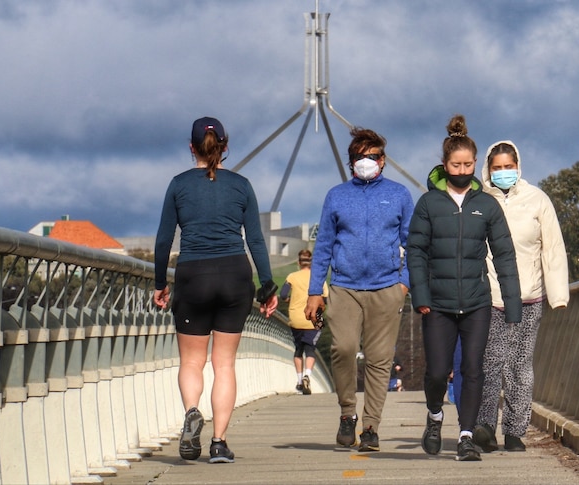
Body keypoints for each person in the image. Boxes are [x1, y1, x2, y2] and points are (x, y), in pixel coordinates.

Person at [153, 116, 278, 464]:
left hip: (193, 274)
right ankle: (219, 443)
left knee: (192, 360)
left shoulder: (178, 185)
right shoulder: (241, 185)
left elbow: (164, 239)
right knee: (224, 364)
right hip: (235, 275)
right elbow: (255, 239)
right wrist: (267, 286)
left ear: (191, 147)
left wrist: (161, 284)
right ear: (225, 146)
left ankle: (193, 411)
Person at [406, 114, 522, 462]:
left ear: (476, 165)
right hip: (437, 305)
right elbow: (415, 251)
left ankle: (466, 437)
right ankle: (434, 416)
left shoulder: (486, 205)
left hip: (476, 303)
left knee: (474, 370)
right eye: (455, 164)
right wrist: (421, 296)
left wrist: (512, 303)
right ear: (444, 165)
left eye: (468, 164)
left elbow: (504, 254)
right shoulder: (429, 204)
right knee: (438, 371)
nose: (462, 169)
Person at [304, 127, 414, 453]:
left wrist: (404, 283)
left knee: (380, 360)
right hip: (344, 287)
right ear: (351, 161)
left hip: (386, 287)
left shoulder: (400, 195)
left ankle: (370, 428)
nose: (368, 162)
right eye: (361, 157)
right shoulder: (336, 196)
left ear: (383, 160)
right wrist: (314, 291)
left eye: (374, 156)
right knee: (344, 349)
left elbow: (413, 243)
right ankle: (346, 413)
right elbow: (323, 245)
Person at [472, 140, 569, 453]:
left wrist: (558, 295)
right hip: (491, 298)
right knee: (489, 364)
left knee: (520, 366)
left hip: (529, 297)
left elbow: (552, 248)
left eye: (508, 167)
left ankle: (515, 431)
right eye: (497, 168)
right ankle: (484, 427)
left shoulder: (537, 199)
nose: (503, 173)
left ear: (518, 166)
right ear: (488, 169)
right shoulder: (480, 200)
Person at [280, 249, 328, 395]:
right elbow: (325, 299)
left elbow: (282, 295)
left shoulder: (292, 276)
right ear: (312, 263)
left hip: (296, 317)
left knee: (298, 349)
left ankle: (300, 380)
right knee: (310, 349)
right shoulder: (318, 278)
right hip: (314, 317)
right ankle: (308, 374)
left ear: (298, 263)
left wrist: (290, 300)